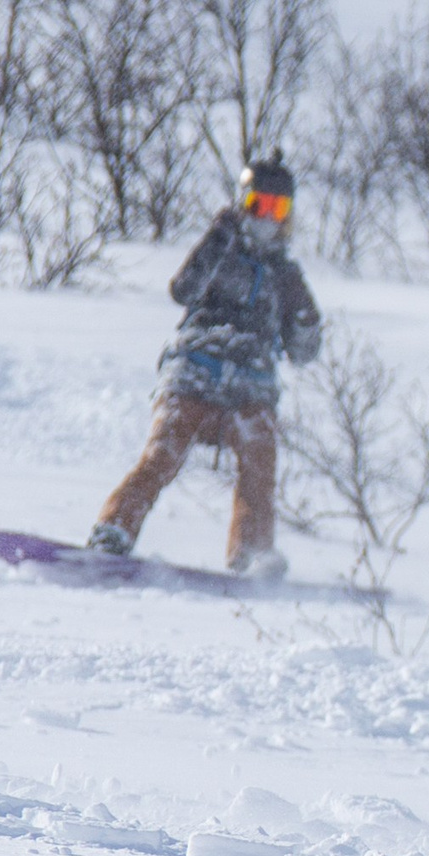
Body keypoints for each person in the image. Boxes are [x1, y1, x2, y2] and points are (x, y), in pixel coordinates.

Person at [89, 159, 323, 576]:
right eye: (258, 205)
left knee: (259, 464)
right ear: (242, 203)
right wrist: (218, 239)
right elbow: (183, 290)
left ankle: (250, 555)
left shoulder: (285, 276)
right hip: (196, 373)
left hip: (250, 387)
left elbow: (303, 352)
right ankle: (113, 531)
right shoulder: (221, 250)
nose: (266, 219)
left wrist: (305, 325)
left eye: (278, 209)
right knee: (163, 454)